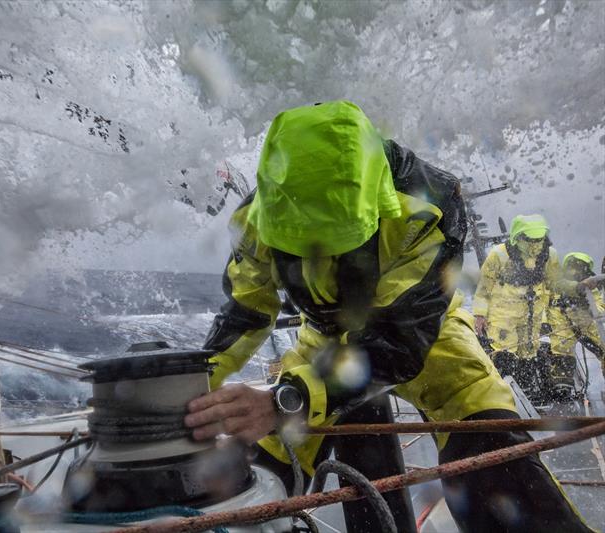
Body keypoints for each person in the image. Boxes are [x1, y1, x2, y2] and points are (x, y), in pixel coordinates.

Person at [184, 101, 593, 532]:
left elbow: (400, 342)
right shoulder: (254, 218)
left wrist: (289, 400)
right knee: (253, 480)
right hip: (323, 341)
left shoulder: (432, 207)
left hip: (426, 334)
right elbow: (247, 311)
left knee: (489, 450)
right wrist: (190, 390)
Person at [472, 216, 587, 397]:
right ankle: (507, 392)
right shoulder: (499, 255)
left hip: (532, 314)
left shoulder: (549, 255)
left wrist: (578, 287)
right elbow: (484, 288)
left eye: (539, 239)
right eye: (530, 240)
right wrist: (479, 314)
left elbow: (555, 283)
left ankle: (526, 391)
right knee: (504, 353)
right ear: (518, 238)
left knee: (529, 351)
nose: (535, 244)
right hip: (503, 314)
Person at [546, 252, 605, 392]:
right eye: (574, 266)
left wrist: (586, 304)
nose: (576, 271)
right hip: (562, 328)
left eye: (581, 267)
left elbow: (600, 313)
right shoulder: (556, 289)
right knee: (562, 350)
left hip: (586, 324)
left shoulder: (591, 290)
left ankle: (564, 383)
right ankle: (562, 383)